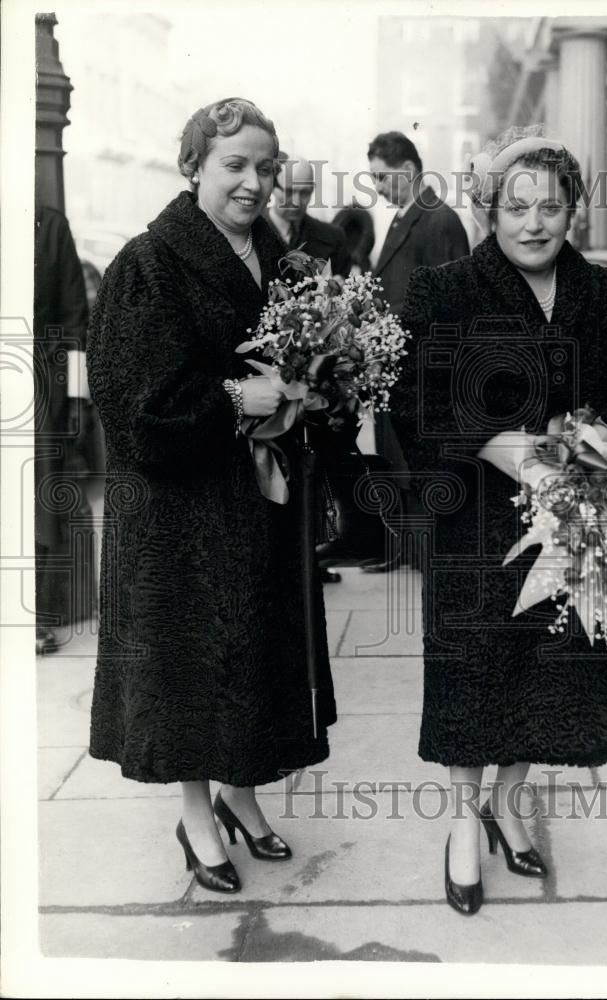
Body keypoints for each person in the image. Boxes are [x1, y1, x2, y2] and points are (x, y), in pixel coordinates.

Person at [390, 127, 607, 915]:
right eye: (515, 207)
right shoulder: (446, 290)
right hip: (476, 518)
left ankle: (509, 804)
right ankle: (462, 822)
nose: (533, 223)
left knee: (543, 672)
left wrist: (600, 431)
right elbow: (415, 396)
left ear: (572, 210)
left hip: (572, 523)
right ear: (490, 210)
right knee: (472, 671)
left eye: (550, 206)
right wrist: (501, 444)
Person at [87, 98, 336, 894]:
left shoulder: (281, 262)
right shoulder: (149, 264)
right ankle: (197, 814)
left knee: (253, 656)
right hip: (181, 512)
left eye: (266, 168)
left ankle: (242, 795)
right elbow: (133, 407)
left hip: (257, 501)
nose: (253, 183)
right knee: (194, 664)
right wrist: (235, 398)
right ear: (193, 166)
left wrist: (319, 390)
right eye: (235, 165)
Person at [365, 131, 471, 573]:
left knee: (418, 462)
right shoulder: (408, 216)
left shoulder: (438, 219)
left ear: (408, 171)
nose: (376, 187)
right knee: (398, 458)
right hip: (398, 367)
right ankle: (408, 551)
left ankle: (428, 555)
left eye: (381, 177)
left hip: (422, 368)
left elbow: (453, 303)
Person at [33, 202, 95, 652]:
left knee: (36, 501)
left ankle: (30, 613)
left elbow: (75, 320)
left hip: (37, 383)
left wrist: (75, 398)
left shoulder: (49, 226)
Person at [266, 155, 351, 277]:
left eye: (305, 193)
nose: (296, 202)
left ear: (312, 190)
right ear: (271, 187)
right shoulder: (246, 232)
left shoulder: (334, 238)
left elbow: (345, 284)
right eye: (289, 192)